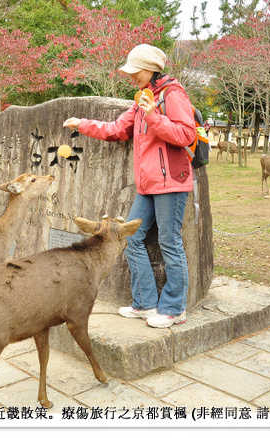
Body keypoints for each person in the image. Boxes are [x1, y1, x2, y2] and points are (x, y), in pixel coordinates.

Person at [63, 43, 196, 328]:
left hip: (171, 182)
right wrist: (82, 124)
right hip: (147, 184)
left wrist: (153, 117)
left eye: (135, 71)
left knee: (170, 243)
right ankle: (146, 304)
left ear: (151, 69)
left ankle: (174, 309)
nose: (131, 76)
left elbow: (185, 134)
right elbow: (116, 130)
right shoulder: (142, 99)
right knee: (132, 238)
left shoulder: (172, 94)